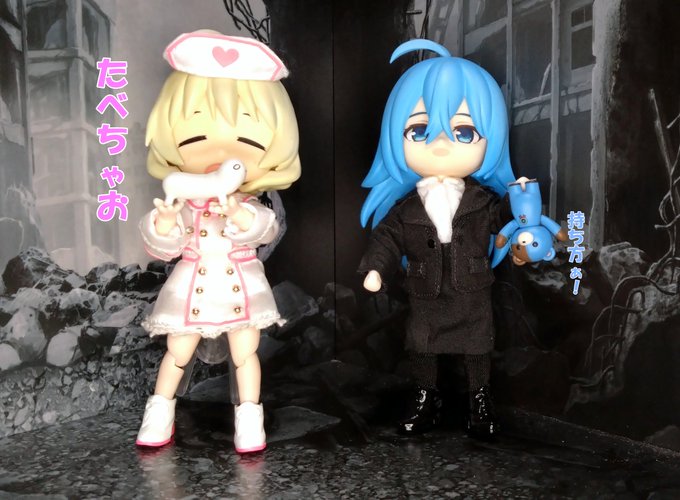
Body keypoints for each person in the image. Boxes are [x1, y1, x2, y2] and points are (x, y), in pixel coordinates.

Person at [136, 30, 300, 453]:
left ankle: (250, 418)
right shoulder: (185, 200)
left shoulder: (249, 201)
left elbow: (265, 229)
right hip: (192, 284)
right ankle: (159, 412)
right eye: (194, 138)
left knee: (246, 353)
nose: (221, 152)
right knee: (177, 351)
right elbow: (165, 245)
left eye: (247, 142)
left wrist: (239, 214)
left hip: (239, 286)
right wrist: (167, 221)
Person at [359, 39, 525, 439]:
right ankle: (424, 399)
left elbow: (504, 219)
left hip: (471, 288)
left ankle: (479, 401)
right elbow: (387, 238)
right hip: (425, 290)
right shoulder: (405, 209)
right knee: (423, 345)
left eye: (463, 132)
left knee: (477, 346)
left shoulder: (483, 201)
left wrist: (520, 206)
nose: (439, 143)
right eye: (419, 130)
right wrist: (376, 270)